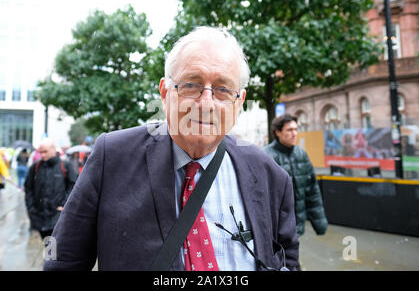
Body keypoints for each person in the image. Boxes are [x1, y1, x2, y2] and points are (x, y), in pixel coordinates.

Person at [44, 26, 299, 271]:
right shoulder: (111, 157)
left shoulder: (270, 175)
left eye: (222, 89)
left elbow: (288, 261)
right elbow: (63, 261)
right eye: (191, 85)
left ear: (239, 101)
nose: (206, 103)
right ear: (165, 93)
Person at [263, 114, 328, 238]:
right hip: (275, 229)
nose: (294, 133)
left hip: (297, 227)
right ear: (278, 132)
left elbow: (312, 190)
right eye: (289, 130)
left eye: (296, 129)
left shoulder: (301, 154)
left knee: (293, 256)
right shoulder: (266, 156)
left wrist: (320, 223)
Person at [24, 138, 76, 240]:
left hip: (57, 213)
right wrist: (31, 207)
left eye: (45, 152)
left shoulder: (65, 165)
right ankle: (51, 255)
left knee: (53, 242)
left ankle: (51, 256)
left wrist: (64, 204)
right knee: (48, 241)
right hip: (39, 214)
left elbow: (73, 187)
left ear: (53, 149)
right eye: (40, 152)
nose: (42, 155)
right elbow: (28, 187)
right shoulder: (36, 166)